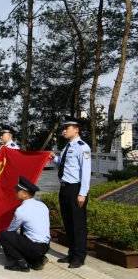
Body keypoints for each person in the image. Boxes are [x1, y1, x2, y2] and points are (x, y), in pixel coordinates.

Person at [50, 115, 91, 269]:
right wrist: (54, 158)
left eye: (66, 128)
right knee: (68, 223)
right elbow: (63, 164)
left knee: (78, 224)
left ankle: (79, 257)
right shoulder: (68, 147)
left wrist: (83, 193)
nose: (64, 131)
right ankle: (72, 253)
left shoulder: (82, 147)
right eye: (63, 129)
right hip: (65, 188)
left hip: (75, 189)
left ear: (76, 129)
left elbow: (86, 173)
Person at [0, 176, 50, 272]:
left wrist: (5, 245)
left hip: (34, 246)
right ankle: (37, 260)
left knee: (3, 235)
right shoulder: (42, 205)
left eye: (18, 191)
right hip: (45, 246)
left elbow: (11, 231)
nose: (16, 193)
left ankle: (21, 263)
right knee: (24, 234)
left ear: (25, 194)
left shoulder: (21, 210)